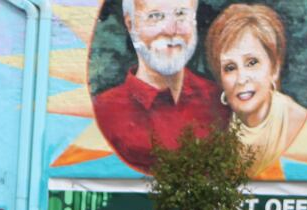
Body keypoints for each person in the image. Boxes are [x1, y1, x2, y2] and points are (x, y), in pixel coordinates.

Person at [91, 0, 231, 173]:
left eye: (181, 14)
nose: (171, 30)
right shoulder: (104, 115)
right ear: (130, 24)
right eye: (155, 16)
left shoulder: (219, 103)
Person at [206, 4, 307, 178]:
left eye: (252, 62)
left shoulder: (300, 124)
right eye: (230, 68)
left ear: (274, 68)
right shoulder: (214, 128)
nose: (241, 78)